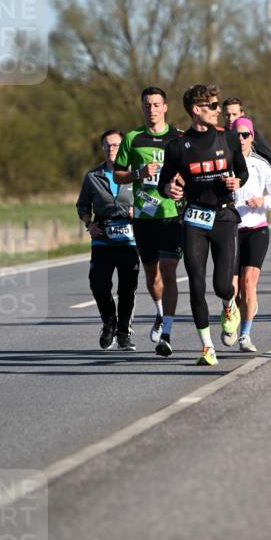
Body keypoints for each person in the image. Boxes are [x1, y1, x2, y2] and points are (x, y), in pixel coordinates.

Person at [159, 84, 249, 366]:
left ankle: (228, 305)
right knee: (196, 284)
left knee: (222, 284)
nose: (217, 110)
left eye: (218, 105)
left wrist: (237, 182)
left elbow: (242, 172)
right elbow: (164, 182)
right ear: (196, 110)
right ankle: (207, 347)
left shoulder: (229, 139)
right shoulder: (177, 146)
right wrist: (169, 190)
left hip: (223, 216)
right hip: (194, 219)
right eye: (212, 106)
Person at [114, 88, 182, 357]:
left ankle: (167, 332)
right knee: (152, 275)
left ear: (165, 107)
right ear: (142, 108)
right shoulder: (132, 138)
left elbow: (188, 170)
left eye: (156, 104)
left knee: (169, 270)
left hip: (171, 214)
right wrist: (138, 173)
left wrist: (180, 187)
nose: (151, 109)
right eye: (146, 105)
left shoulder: (178, 138)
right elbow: (118, 175)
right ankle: (160, 312)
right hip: (144, 217)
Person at [76, 129, 139, 351]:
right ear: (102, 149)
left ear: (123, 148)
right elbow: (82, 206)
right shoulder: (93, 177)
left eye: (115, 145)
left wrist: (137, 211)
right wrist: (88, 223)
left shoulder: (135, 173)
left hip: (130, 239)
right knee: (98, 282)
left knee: (127, 288)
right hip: (103, 238)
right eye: (107, 146)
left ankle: (123, 332)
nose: (111, 149)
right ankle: (109, 323)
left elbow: (150, 201)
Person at [230, 116, 271, 351]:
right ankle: (232, 314)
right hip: (230, 230)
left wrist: (263, 200)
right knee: (231, 289)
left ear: (252, 137)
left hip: (256, 229)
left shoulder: (261, 164)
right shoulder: (223, 163)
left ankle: (245, 334)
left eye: (245, 135)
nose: (241, 139)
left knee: (248, 283)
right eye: (236, 135)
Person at [222, 97, 271, 171]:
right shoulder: (218, 136)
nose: (230, 119)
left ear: (242, 114)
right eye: (227, 115)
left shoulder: (254, 136)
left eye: (234, 114)